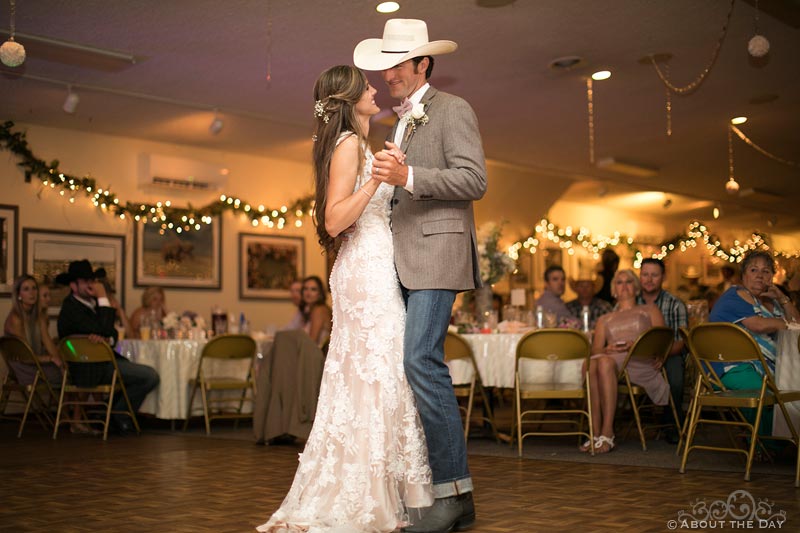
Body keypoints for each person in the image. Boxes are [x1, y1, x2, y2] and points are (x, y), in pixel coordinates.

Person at [257, 65, 432, 532]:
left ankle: (380, 486)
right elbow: (334, 221)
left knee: (374, 372)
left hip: (372, 264)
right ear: (351, 98)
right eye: (367, 86)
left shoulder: (354, 144)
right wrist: (376, 180)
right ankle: (371, 492)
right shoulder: (350, 145)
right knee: (380, 369)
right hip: (364, 270)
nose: (375, 89)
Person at [355, 18, 487, 532]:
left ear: (422, 64)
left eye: (396, 64)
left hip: (438, 254)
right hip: (402, 258)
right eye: (385, 65)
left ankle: (452, 493)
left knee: (420, 360)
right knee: (413, 365)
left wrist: (407, 176)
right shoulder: (398, 122)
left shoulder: (454, 109)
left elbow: (474, 179)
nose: (387, 74)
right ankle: (450, 493)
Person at [56, 260, 160, 435]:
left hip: (102, 362)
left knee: (148, 375)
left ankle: (113, 413)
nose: (91, 285)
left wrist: (106, 338)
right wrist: (103, 297)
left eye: (92, 280)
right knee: (149, 376)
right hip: (87, 367)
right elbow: (103, 329)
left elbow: (111, 334)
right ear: (73, 285)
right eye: (85, 281)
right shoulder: (71, 308)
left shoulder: (93, 304)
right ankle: (117, 415)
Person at [708, 250, 800, 435]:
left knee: (790, 388)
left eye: (766, 271)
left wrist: (782, 298)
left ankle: (782, 441)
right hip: (728, 368)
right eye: (753, 270)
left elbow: (796, 322)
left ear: (772, 277)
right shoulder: (735, 296)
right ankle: (766, 445)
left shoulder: (769, 302)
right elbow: (758, 325)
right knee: (769, 397)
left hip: (764, 366)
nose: (760, 275)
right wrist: (788, 324)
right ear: (743, 275)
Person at [584, 269, 667, 454]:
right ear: (613, 289)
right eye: (619, 282)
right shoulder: (604, 319)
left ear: (636, 287)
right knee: (594, 362)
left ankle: (607, 432)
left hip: (639, 358)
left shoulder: (649, 310)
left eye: (628, 281)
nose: (624, 286)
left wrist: (637, 344)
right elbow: (596, 349)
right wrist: (608, 348)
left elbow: (662, 338)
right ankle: (595, 433)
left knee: (603, 363)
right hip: (612, 359)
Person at [4, 275, 95, 434]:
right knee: (75, 375)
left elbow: (49, 344)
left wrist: (61, 360)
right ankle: (75, 420)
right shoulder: (15, 319)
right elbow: (26, 356)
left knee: (72, 369)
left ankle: (73, 419)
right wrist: (51, 359)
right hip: (24, 368)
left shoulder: (38, 316)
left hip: (37, 365)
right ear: (18, 294)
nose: (32, 293)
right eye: (26, 289)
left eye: (34, 288)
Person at [637, 258, 688, 443]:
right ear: (639, 276)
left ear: (663, 278)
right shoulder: (631, 301)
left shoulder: (675, 304)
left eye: (654, 275)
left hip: (669, 353)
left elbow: (680, 343)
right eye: (645, 274)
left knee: (674, 377)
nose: (649, 279)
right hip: (636, 355)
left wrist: (662, 355)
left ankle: (672, 425)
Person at [299, 275, 332, 346]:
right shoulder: (310, 309)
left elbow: (312, 342)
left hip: (318, 355)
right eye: (305, 289)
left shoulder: (319, 310)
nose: (308, 293)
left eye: (313, 289)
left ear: (320, 293)